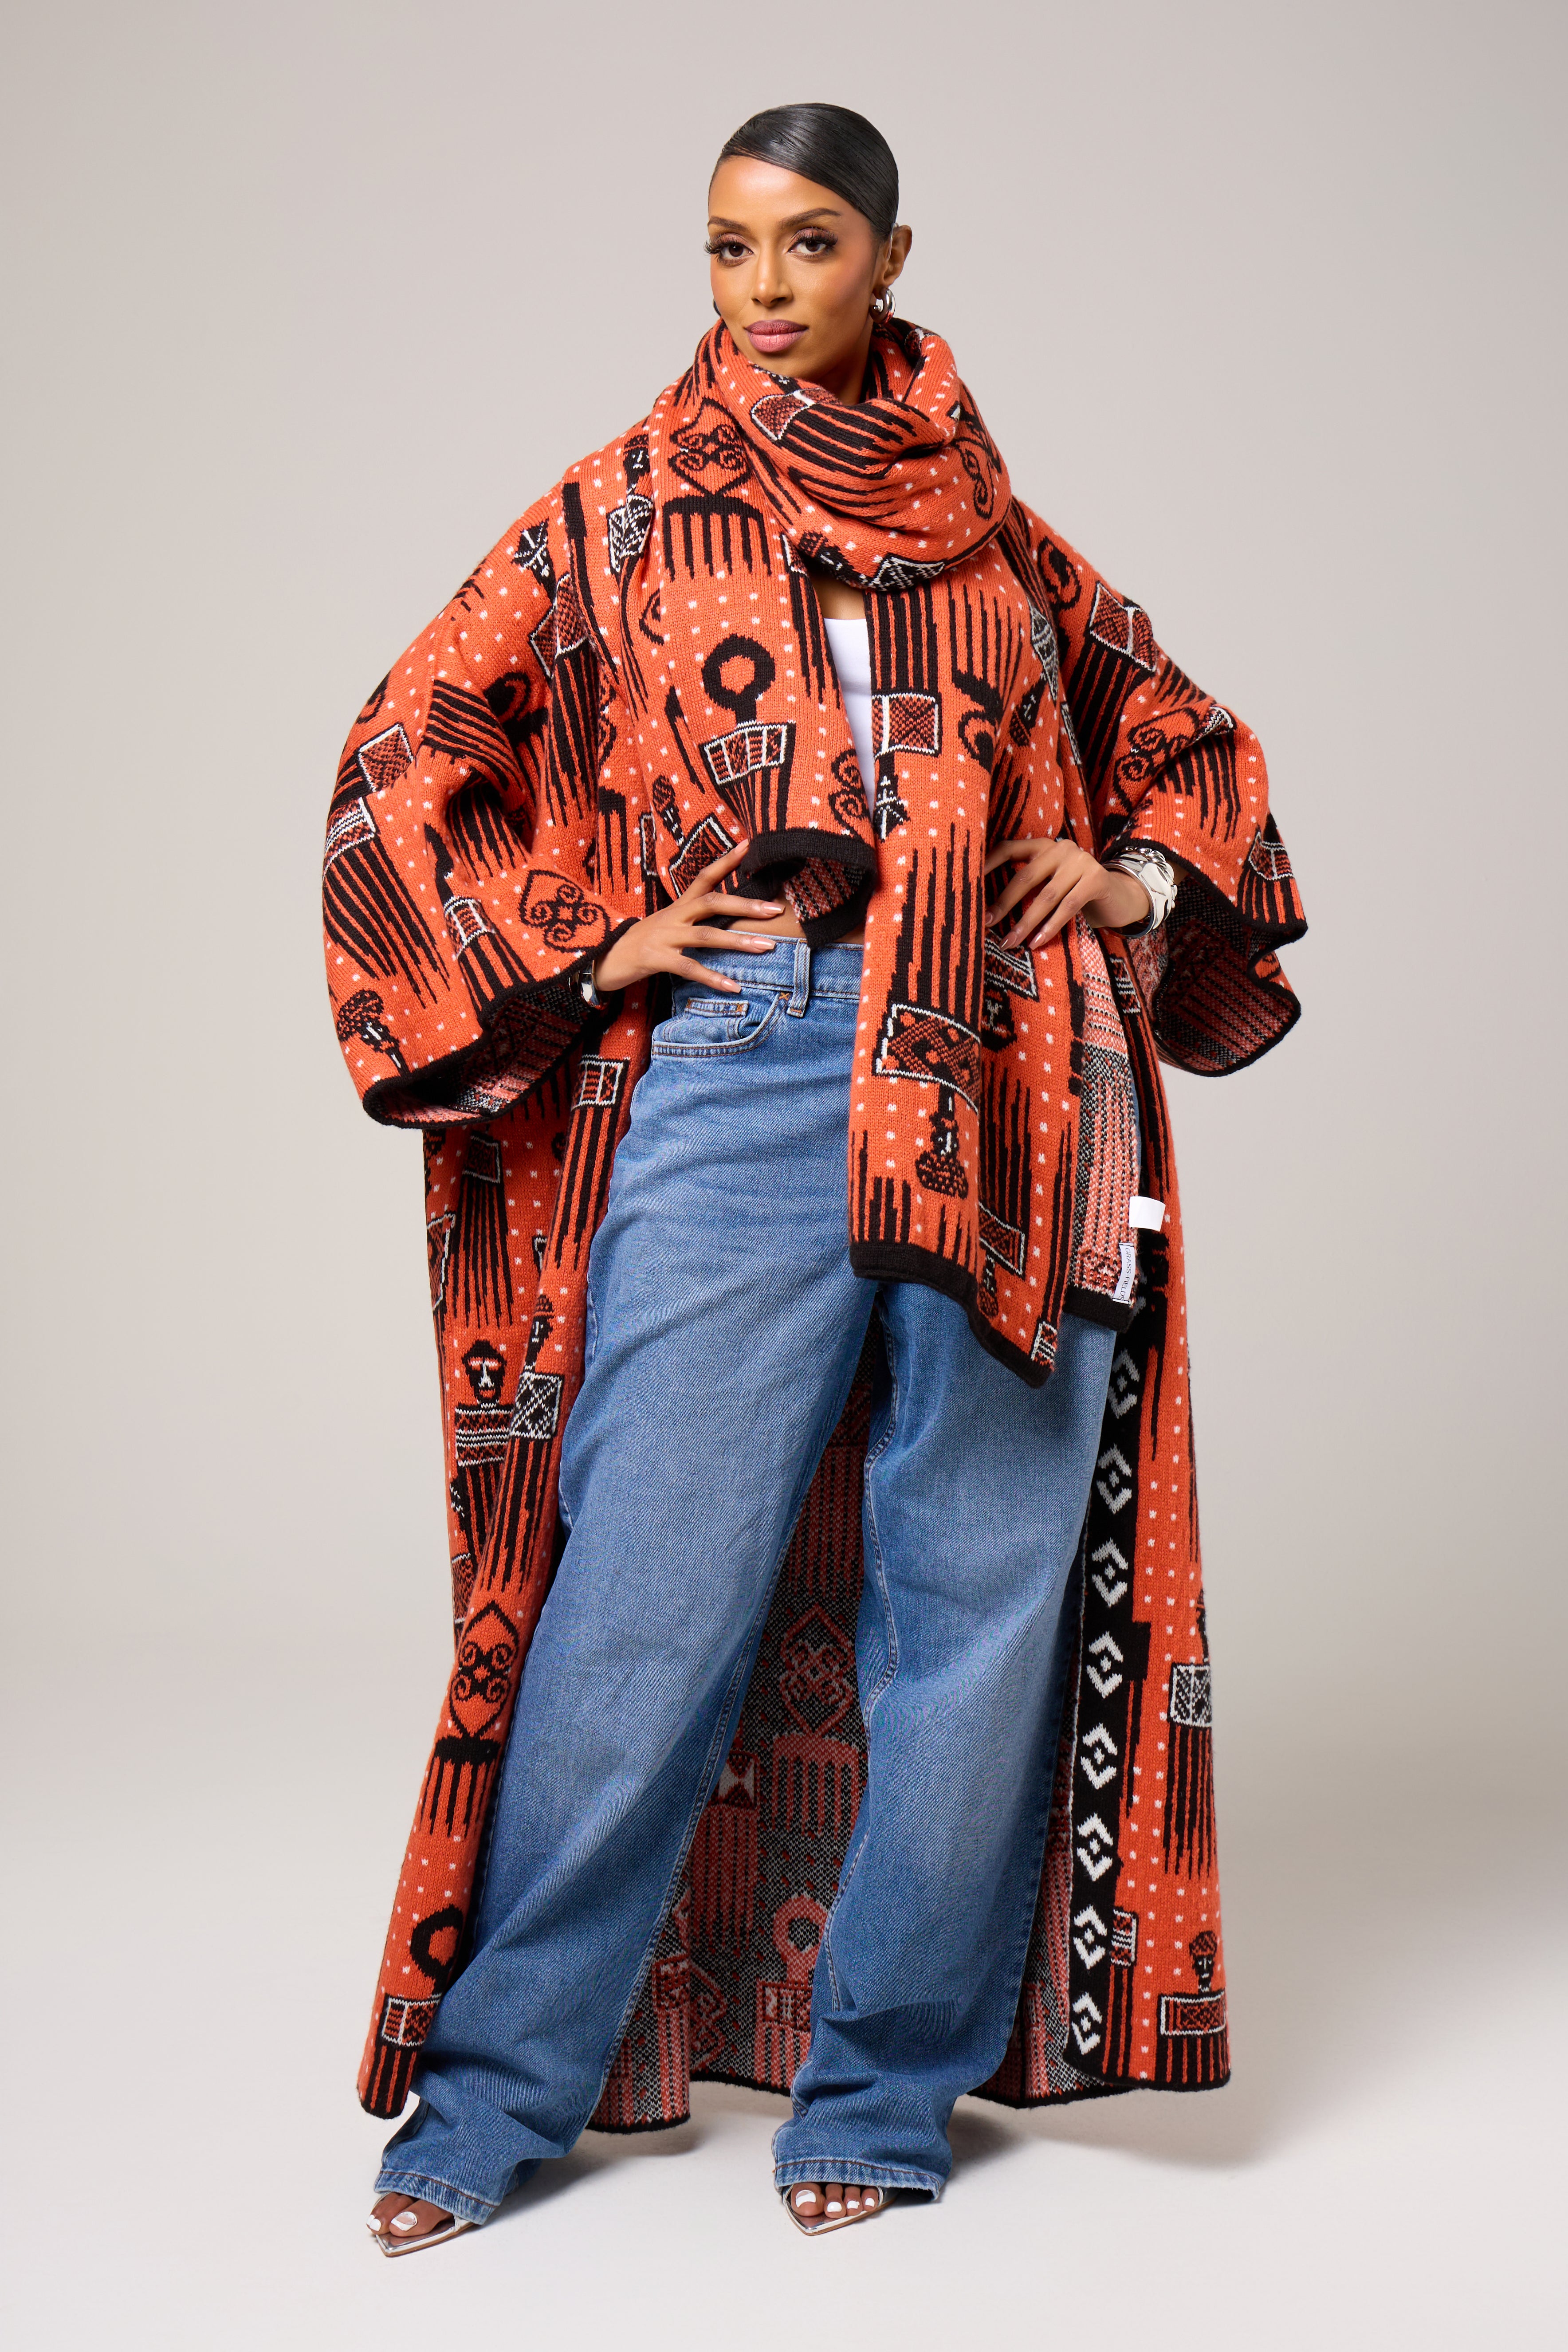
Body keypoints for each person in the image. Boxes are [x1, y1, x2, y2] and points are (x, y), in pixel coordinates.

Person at [324, 102, 1305, 2253]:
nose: (764, 290)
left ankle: (877, 2088)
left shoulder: (997, 533)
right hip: (751, 1053)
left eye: (807, 245)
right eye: (727, 246)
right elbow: (407, 755)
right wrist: (596, 947)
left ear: (888, 258)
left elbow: (1181, 744)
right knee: (641, 1593)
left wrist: (1135, 881)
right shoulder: (613, 509)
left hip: (1012, 1056)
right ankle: (497, 2092)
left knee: (972, 1602)